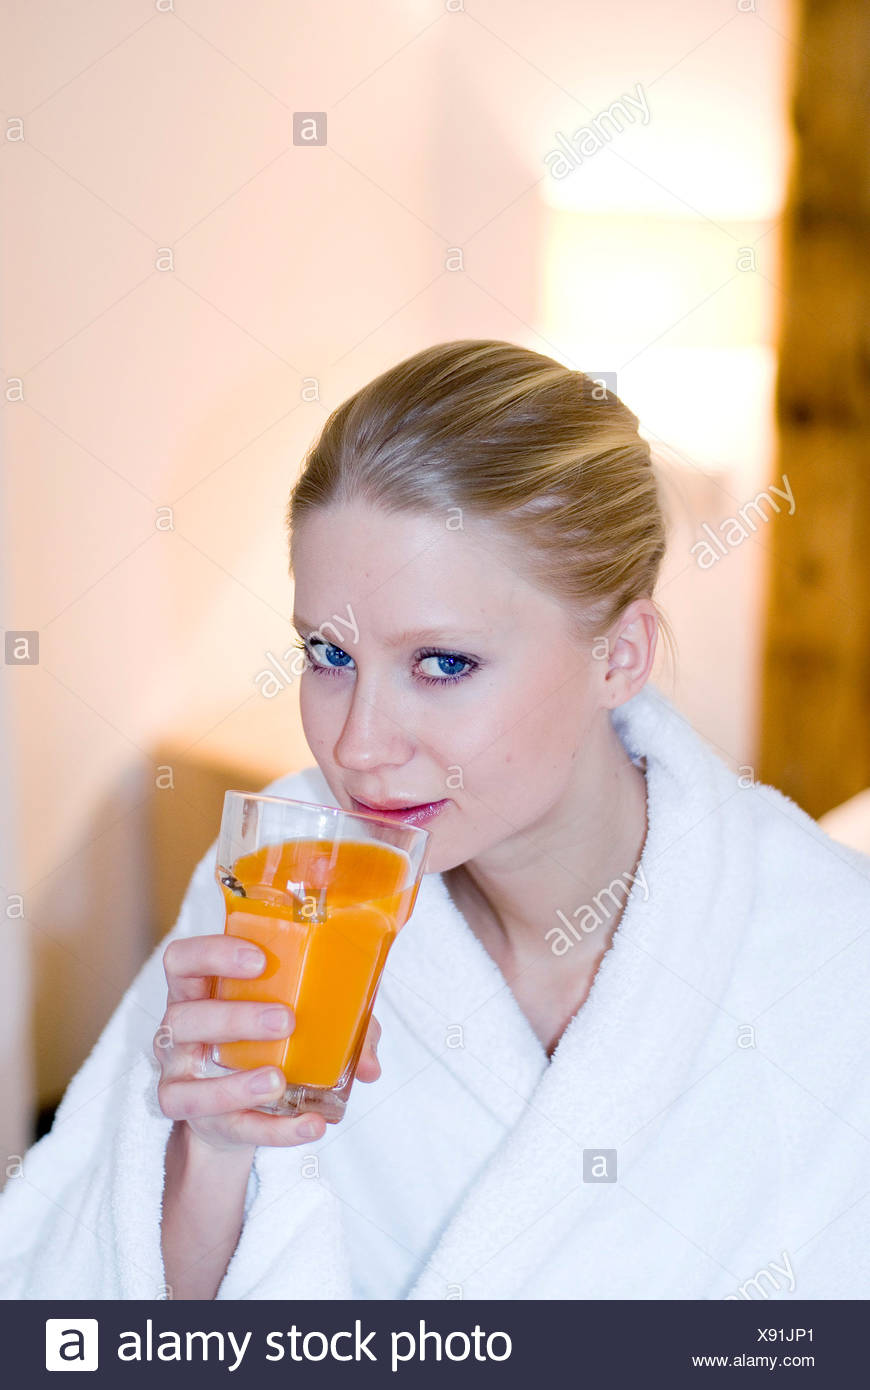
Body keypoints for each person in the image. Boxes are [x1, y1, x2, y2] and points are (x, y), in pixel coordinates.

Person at [1, 339, 868, 1301]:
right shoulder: (285, 872)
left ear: (620, 657)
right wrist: (212, 1148)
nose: (359, 746)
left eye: (443, 664)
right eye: (329, 655)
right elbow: (93, 1321)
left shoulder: (829, 960)